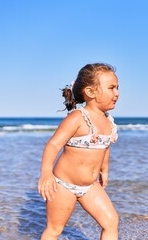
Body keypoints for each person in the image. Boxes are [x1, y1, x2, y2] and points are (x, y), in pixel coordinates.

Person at [38, 63, 120, 240]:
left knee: (111, 222)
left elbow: (104, 147)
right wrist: (46, 174)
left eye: (117, 88)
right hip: (63, 185)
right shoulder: (78, 118)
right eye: (111, 88)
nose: (117, 93)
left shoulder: (108, 121)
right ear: (91, 92)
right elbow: (53, 145)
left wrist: (104, 170)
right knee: (54, 229)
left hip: (90, 186)